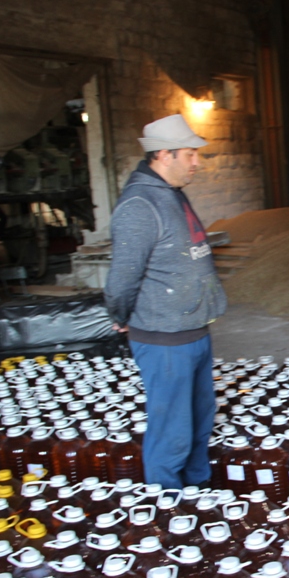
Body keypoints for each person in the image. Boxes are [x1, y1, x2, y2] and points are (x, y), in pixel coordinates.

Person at [104, 114, 227, 490]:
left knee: (199, 418)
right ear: (163, 155)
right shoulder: (140, 205)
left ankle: (199, 494)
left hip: (193, 329)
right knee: (172, 429)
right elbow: (122, 277)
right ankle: (167, 506)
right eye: (190, 154)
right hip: (164, 338)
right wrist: (120, 316)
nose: (196, 162)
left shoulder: (171, 194)